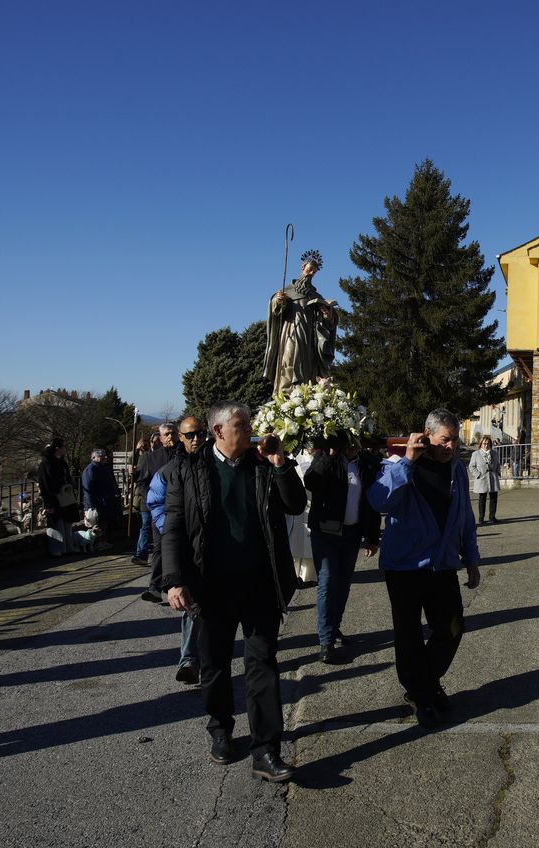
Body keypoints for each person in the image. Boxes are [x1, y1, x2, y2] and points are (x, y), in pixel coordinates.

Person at [161, 401, 306, 782]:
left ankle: (266, 750)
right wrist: (174, 580)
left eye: (249, 423)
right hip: (212, 586)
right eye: (242, 424)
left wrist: (281, 464)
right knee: (214, 666)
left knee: (263, 665)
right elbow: (173, 527)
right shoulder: (189, 470)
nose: (251, 429)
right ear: (219, 432)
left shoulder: (263, 465)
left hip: (260, 582)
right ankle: (221, 729)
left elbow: (296, 504)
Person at [366, 408, 480, 729]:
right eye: (444, 440)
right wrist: (407, 461)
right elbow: (379, 500)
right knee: (409, 635)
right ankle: (422, 694)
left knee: (452, 627)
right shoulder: (399, 463)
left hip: (441, 565)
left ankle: (424, 686)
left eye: (454, 441)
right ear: (427, 435)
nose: (450, 447)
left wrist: (471, 559)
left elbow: (465, 519)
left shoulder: (457, 470)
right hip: (404, 567)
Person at [303, 437, 382, 664]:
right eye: (346, 442)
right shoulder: (324, 459)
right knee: (327, 582)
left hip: (352, 534)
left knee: (344, 583)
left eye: (355, 443)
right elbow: (311, 482)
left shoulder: (367, 463)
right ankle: (325, 641)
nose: (351, 447)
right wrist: (329, 456)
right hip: (325, 533)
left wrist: (373, 537)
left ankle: (334, 625)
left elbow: (372, 501)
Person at [146, 416, 208, 685]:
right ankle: (189, 659)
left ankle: (199, 659)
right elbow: (155, 503)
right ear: (181, 437)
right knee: (192, 605)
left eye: (200, 433)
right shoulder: (169, 470)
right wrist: (170, 527)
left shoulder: (213, 464)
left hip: (208, 547)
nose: (196, 439)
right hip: (183, 545)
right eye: (190, 434)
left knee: (204, 606)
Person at [263, 249, 339, 395]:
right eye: (310, 269)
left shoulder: (316, 296)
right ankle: (286, 396)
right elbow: (276, 310)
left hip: (310, 337)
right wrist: (279, 301)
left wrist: (327, 316)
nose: (311, 274)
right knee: (289, 360)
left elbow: (327, 324)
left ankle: (304, 398)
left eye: (314, 272)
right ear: (303, 267)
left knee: (309, 366)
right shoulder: (287, 291)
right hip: (291, 331)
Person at [136, 423, 180, 601]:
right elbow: (142, 482)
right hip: (159, 510)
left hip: (181, 508)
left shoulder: (185, 455)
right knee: (159, 548)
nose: (170, 437)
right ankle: (154, 587)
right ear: (160, 438)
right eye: (166, 434)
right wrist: (152, 499)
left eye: (172, 434)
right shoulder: (151, 458)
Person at [37, 437, 80, 556]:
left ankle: (67, 547)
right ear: (57, 448)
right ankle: (57, 550)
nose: (65, 449)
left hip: (65, 497)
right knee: (56, 524)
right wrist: (48, 503)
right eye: (63, 446)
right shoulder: (46, 464)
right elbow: (44, 484)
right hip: (54, 498)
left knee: (67, 523)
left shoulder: (61, 462)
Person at [80, 448, 120, 550]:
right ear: (93, 457)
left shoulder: (102, 468)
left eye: (104, 455)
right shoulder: (91, 470)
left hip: (105, 501)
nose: (103, 457)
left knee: (104, 523)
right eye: (100, 455)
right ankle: (97, 543)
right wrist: (91, 505)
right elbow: (88, 489)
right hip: (97, 502)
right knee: (97, 524)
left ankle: (103, 541)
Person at [468, 435, 500, 525]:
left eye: (488, 443)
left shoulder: (494, 453)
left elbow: (497, 464)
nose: (486, 445)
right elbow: (471, 466)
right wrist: (478, 474)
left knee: (494, 498)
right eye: (484, 443)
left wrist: (498, 472)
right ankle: (481, 518)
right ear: (481, 444)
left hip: (493, 478)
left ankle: (492, 517)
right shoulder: (475, 454)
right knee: (482, 499)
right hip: (482, 479)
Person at [131, 436, 152, 565]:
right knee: (145, 526)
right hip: (145, 498)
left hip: (159, 498)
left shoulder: (161, 456)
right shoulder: (144, 457)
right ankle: (141, 554)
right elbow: (137, 476)